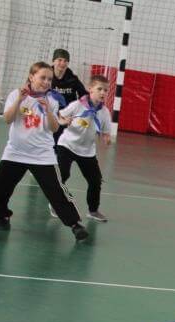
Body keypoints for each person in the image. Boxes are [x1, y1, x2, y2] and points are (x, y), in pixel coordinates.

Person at [0, 61, 88, 241]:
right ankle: (2, 215)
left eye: (49, 79)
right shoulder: (16, 94)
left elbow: (54, 128)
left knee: (56, 191)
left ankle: (75, 224)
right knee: (0, 187)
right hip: (15, 152)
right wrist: (19, 100)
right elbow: (7, 119)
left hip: (41, 155)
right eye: (42, 78)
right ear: (31, 77)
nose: (46, 82)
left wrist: (48, 110)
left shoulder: (52, 100)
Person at [54, 74, 113, 222]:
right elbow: (60, 116)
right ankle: (55, 204)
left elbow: (105, 131)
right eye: (99, 89)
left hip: (87, 151)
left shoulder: (105, 113)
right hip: (67, 145)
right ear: (90, 89)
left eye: (106, 90)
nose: (103, 93)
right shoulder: (77, 105)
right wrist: (63, 121)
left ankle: (93, 210)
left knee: (95, 181)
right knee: (63, 175)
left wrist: (106, 138)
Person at [50, 49, 87, 143]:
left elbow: (84, 95)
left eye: (65, 61)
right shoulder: (47, 77)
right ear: (53, 61)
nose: (62, 63)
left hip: (68, 115)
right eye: (59, 60)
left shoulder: (73, 79)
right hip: (50, 113)